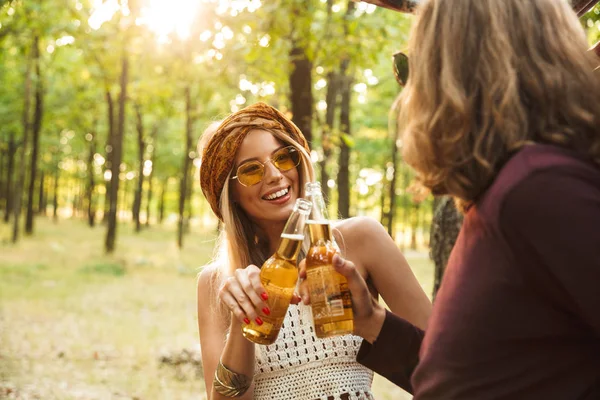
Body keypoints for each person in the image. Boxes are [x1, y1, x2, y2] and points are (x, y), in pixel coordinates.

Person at [317, 0, 600, 398]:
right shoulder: (510, 191)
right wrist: (372, 321)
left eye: (416, 63)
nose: (409, 89)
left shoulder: (539, 189)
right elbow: (483, 377)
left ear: (461, 70)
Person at [196, 102, 432, 400]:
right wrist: (244, 320)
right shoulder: (216, 284)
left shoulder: (360, 240)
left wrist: (372, 321)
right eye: (251, 170)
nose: (274, 175)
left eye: (283, 157)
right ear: (230, 195)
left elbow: (445, 366)